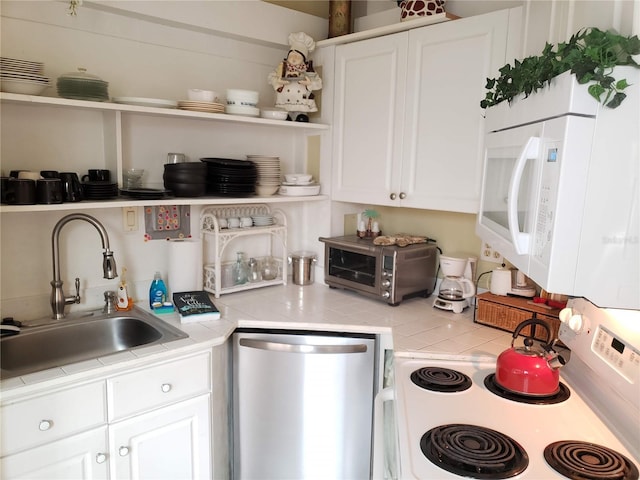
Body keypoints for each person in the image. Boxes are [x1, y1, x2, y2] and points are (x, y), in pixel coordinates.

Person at [268, 32, 322, 122]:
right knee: (285, 114)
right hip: (285, 101)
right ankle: (287, 115)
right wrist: (279, 81)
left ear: (303, 59)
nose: (293, 58)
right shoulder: (282, 68)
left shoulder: (307, 70)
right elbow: (270, 78)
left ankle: (301, 115)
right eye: (291, 55)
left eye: (297, 56)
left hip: (301, 102)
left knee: (301, 115)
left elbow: (319, 83)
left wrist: (309, 83)